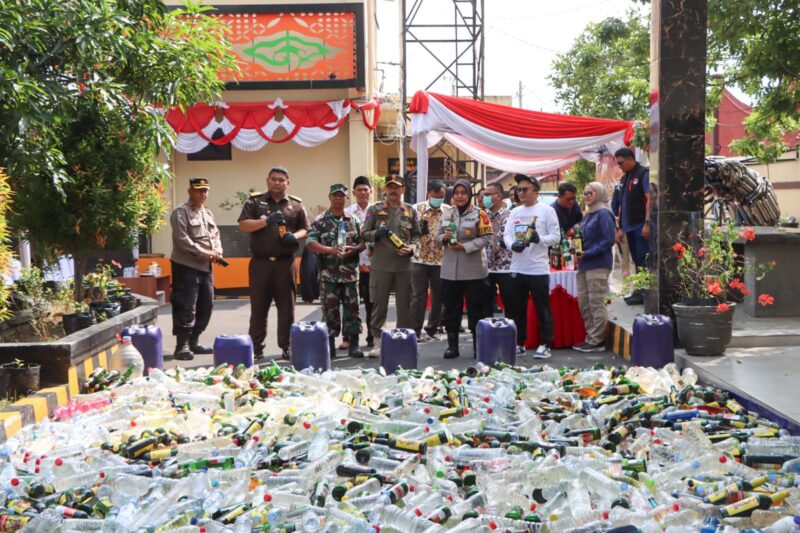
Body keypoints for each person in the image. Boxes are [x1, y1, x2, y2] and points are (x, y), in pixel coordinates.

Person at [238, 166, 309, 360]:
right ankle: (256, 348)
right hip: (260, 264)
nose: (277, 182)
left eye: (281, 180)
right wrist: (266, 221)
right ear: (267, 180)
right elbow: (243, 225)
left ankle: (287, 346)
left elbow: (305, 229)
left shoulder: (295, 205)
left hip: (285, 264)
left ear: (288, 183)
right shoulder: (255, 202)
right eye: (274, 179)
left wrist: (294, 236)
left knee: (287, 308)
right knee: (258, 307)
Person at [361, 174, 421, 355]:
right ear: (385, 189)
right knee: (379, 305)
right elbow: (364, 234)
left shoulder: (411, 211)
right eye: (390, 187)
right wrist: (376, 234)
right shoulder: (375, 209)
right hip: (381, 265)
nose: (393, 190)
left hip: (404, 266)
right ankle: (378, 343)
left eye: (397, 187)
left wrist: (412, 249)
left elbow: (417, 236)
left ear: (403, 189)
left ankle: (402, 341)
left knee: (405, 306)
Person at [503, 174, 561, 359]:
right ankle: (520, 342)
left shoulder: (546, 211)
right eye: (518, 189)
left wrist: (540, 239)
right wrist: (513, 245)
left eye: (525, 189)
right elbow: (507, 235)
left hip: (537, 269)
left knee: (542, 307)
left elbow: (556, 236)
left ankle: (546, 343)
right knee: (516, 309)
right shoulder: (514, 212)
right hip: (517, 267)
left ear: (536, 191)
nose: (521, 193)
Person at [306, 184, 366, 359]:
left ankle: (354, 345)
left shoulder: (353, 220)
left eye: (342, 196)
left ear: (347, 198)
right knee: (329, 311)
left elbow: (363, 242)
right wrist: (329, 250)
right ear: (329, 197)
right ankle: (330, 345)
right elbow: (310, 243)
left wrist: (354, 249)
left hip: (350, 275)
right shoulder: (320, 221)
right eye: (335, 195)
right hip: (328, 276)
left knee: (353, 311)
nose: (338, 199)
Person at [436, 179, 492, 359]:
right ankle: (453, 346)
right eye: (457, 193)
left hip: (474, 271)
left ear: (469, 195)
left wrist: (466, 247)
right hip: (450, 271)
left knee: (477, 310)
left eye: (463, 193)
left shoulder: (480, 214)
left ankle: (478, 346)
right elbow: (437, 236)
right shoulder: (446, 213)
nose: (460, 196)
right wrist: (443, 238)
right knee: (451, 310)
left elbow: (487, 238)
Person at [169, 177, 224, 360]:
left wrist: (217, 251)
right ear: (190, 191)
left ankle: (194, 341)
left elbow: (215, 235)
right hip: (186, 266)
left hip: (205, 267)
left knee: (206, 304)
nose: (203, 193)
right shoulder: (180, 212)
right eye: (199, 190)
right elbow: (182, 240)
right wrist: (205, 253)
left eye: (205, 190)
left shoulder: (207, 213)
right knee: (185, 305)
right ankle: (182, 344)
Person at [573, 182, 616, 352]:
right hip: (584, 264)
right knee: (584, 302)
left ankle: (597, 340)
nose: (586, 197)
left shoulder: (604, 213)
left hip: (598, 264)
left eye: (589, 193)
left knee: (596, 302)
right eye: (584, 194)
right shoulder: (588, 214)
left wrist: (588, 252)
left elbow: (608, 240)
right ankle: (590, 337)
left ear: (599, 193)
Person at [614, 147, 651, 305]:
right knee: (636, 259)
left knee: (643, 258)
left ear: (630, 159)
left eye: (621, 163)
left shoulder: (643, 173)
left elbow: (649, 199)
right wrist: (620, 227)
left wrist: (647, 223)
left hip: (640, 224)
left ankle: (646, 291)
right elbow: (621, 205)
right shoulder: (624, 178)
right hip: (628, 226)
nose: (619, 166)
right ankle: (640, 290)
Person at [410, 180, 447, 341]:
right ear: (429, 194)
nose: (439, 199)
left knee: (439, 296)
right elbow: (409, 231)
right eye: (436, 196)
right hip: (419, 259)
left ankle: (432, 329)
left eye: (442, 196)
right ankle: (415, 331)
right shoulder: (416, 209)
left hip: (441, 260)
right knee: (419, 296)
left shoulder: (448, 211)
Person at [344, 176, 375, 348]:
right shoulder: (347, 212)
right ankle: (348, 338)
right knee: (350, 304)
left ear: (370, 191)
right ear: (354, 192)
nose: (363, 192)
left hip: (372, 265)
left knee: (372, 302)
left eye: (365, 189)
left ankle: (372, 336)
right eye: (359, 190)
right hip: (351, 266)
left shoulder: (378, 210)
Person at [484, 182, 514, 318]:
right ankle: (487, 335)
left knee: (510, 305)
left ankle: (512, 334)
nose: (485, 197)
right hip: (485, 267)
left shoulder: (511, 216)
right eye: (485, 195)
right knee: (486, 307)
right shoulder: (482, 216)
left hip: (506, 267)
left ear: (499, 196)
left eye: (488, 194)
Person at [611, 181, 632, 283]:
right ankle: (627, 286)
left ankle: (639, 286)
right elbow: (614, 207)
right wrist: (618, 227)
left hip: (639, 227)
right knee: (625, 259)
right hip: (624, 228)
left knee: (638, 259)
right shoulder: (619, 187)